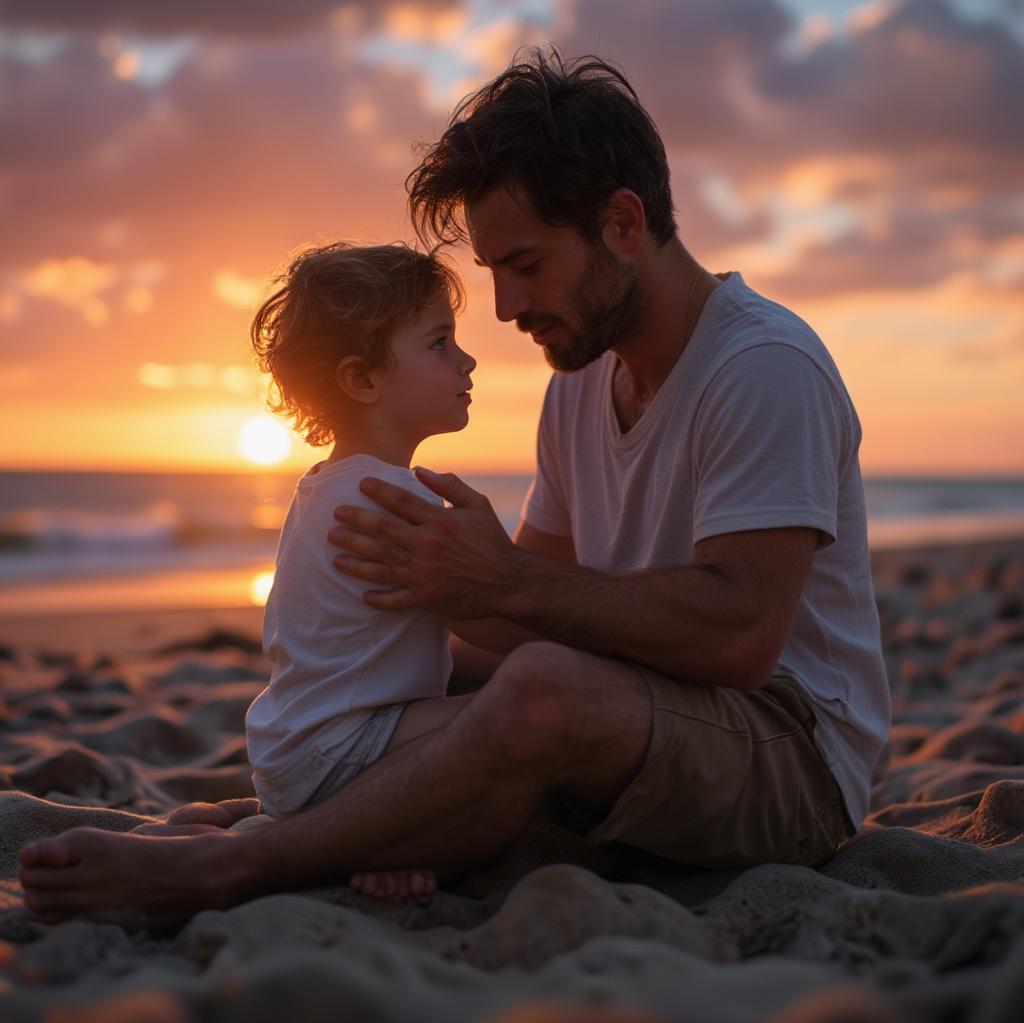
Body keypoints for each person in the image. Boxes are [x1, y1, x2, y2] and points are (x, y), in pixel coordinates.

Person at [18, 48, 890, 922]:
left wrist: (496, 582)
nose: (506, 308)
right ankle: (288, 821)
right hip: (650, 699)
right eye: (492, 275)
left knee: (540, 691)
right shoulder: (580, 383)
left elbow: (737, 636)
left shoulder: (762, 368)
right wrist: (368, 676)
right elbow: (527, 618)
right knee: (473, 687)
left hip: (789, 750)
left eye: (526, 264)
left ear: (624, 224)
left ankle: (232, 868)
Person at [244, 241, 476, 900]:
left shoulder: (326, 485)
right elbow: (488, 622)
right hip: (344, 755)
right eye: (439, 343)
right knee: (514, 718)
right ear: (363, 379)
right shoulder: (387, 498)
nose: (467, 359)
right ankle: (377, 838)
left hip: (292, 751)